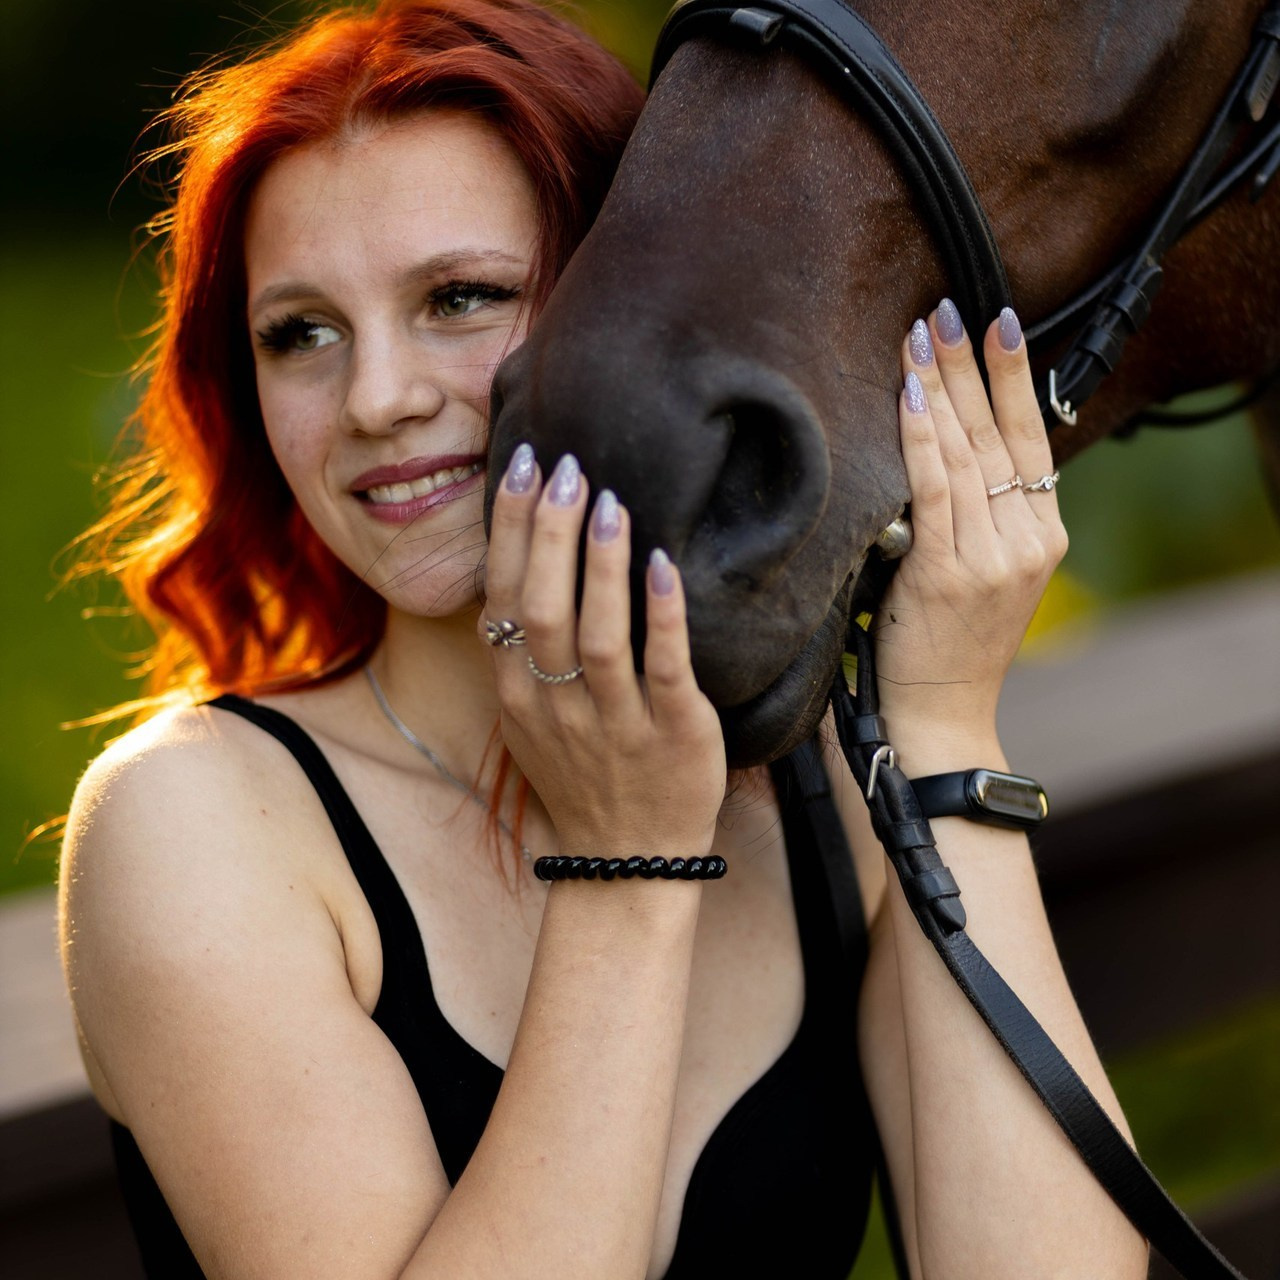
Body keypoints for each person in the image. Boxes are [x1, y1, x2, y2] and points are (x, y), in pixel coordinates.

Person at [58, 1, 1149, 1276]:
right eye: (300, 333)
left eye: (460, 298)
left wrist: (944, 732)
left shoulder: (816, 790)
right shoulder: (194, 824)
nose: (376, 400)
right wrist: (625, 869)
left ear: (635, 295)